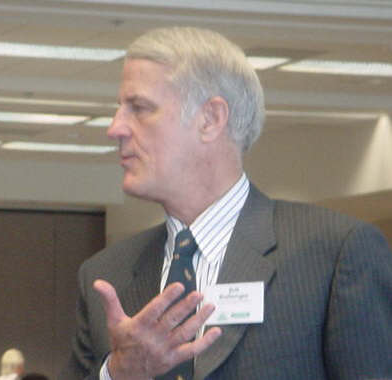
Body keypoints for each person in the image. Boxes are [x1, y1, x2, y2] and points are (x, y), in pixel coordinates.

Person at [61, 26, 392, 380]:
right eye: (119, 110)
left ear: (210, 119)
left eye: (139, 108)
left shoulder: (335, 254)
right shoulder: (105, 275)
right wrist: (118, 373)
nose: (115, 128)